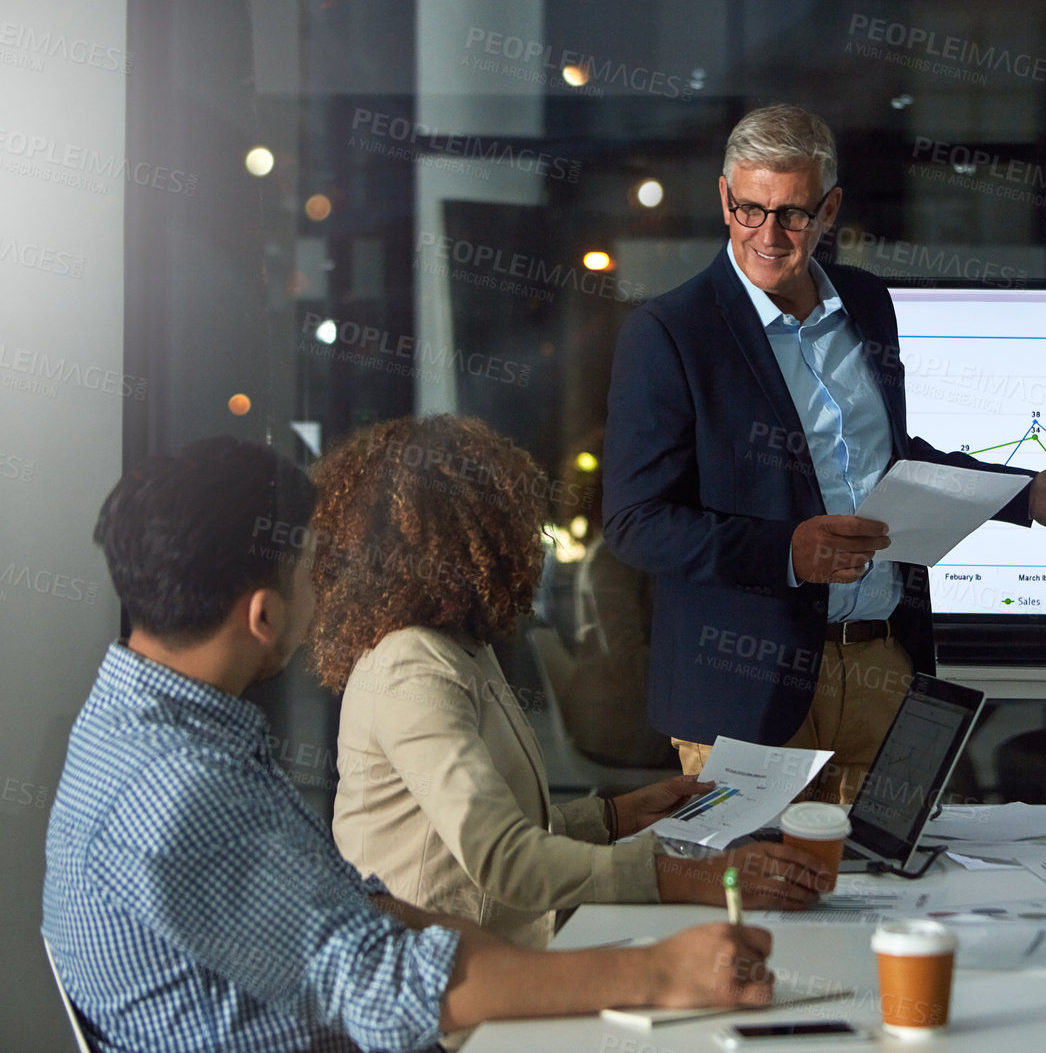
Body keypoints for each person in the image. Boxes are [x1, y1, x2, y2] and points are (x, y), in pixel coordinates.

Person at [43, 436, 776, 1053]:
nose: (324, 589)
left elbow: (360, 910)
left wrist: (541, 956)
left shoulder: (140, 726)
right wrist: (658, 972)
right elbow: (382, 984)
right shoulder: (182, 786)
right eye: (309, 570)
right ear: (263, 614)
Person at [603, 103, 1046, 802]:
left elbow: (890, 462)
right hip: (747, 688)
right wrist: (788, 551)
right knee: (767, 898)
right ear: (725, 200)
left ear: (830, 208)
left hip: (883, 670)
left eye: (792, 213)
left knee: (899, 893)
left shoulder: (870, 304)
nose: (769, 234)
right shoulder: (669, 332)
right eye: (750, 209)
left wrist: (1026, 495)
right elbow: (636, 522)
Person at [314, 416, 823, 953]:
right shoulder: (412, 668)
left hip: (488, 957)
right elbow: (504, 859)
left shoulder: (459, 645)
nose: (528, 539)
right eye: (511, 520)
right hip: (437, 985)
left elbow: (497, 827)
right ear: (469, 538)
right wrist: (701, 878)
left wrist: (618, 816)